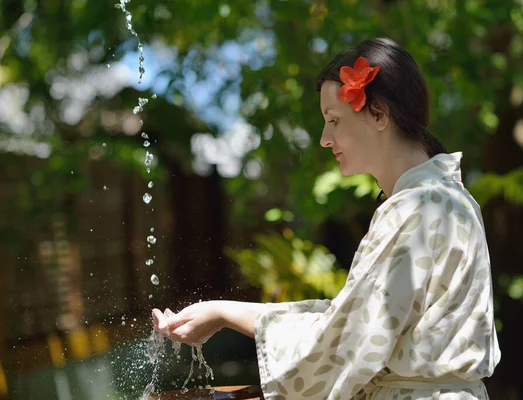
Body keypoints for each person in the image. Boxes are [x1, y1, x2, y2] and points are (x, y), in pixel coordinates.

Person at [152, 37, 501, 400]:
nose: (324, 138)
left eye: (333, 120)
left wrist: (224, 313)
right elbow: (347, 318)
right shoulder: (439, 199)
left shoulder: (420, 208)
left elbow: (341, 341)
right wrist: (223, 311)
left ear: (379, 114)